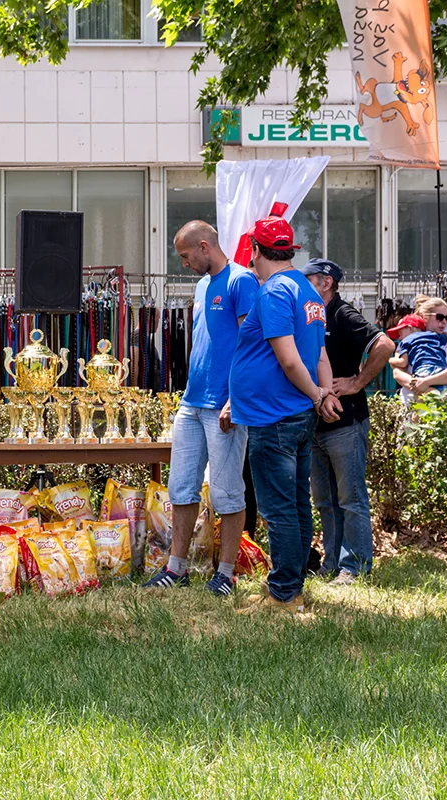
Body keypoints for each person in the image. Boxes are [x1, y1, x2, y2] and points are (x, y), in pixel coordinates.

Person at [228, 217, 341, 614]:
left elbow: (291, 360)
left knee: (280, 511)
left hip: (275, 417)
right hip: (292, 415)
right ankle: (290, 587)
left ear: (255, 251)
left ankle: (284, 595)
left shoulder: (274, 291)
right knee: (294, 505)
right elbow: (320, 356)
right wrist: (323, 393)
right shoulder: (308, 291)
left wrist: (315, 395)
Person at [144, 221, 258, 597]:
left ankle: (225, 573)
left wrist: (235, 398)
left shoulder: (241, 281)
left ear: (204, 246)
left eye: (185, 255)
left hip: (224, 405)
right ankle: (176, 569)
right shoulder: (202, 285)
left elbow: (250, 345)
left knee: (227, 493)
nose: (184, 263)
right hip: (192, 402)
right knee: (180, 488)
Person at [300, 258, 395, 585]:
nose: (302, 285)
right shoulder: (311, 315)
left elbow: (385, 344)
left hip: (346, 422)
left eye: (309, 278)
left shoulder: (342, 313)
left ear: (326, 282)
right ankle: (332, 564)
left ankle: (355, 566)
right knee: (325, 501)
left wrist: (358, 382)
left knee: (350, 499)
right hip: (317, 423)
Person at [388, 296, 447, 404]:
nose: (444, 322)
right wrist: (419, 385)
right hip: (411, 402)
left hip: (444, 404)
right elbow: (397, 373)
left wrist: (426, 382)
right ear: (425, 317)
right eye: (440, 317)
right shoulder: (409, 341)